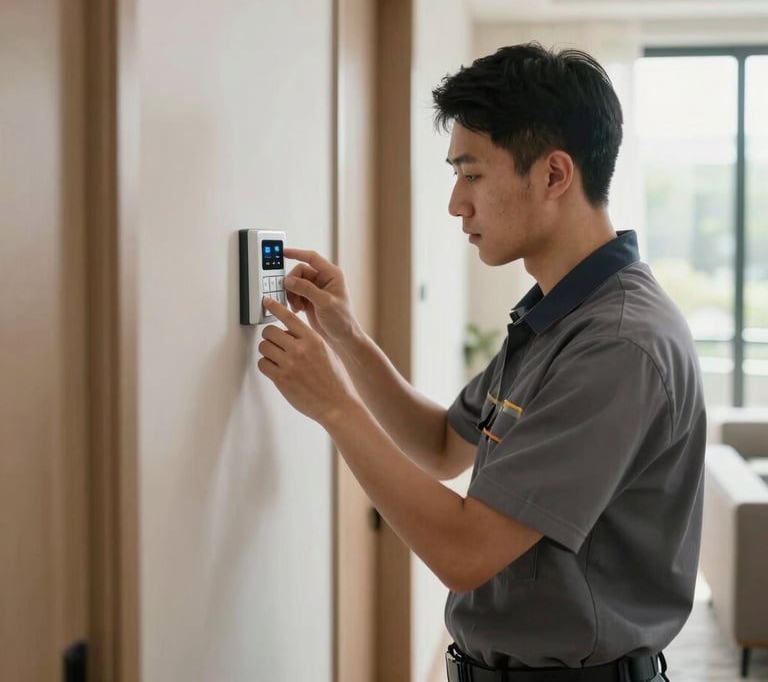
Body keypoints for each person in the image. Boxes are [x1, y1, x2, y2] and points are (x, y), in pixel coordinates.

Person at [257, 42, 706, 682]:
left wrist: (332, 405)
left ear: (553, 175)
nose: (455, 203)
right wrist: (347, 336)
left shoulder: (616, 343)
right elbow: (442, 445)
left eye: (471, 174)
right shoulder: (558, 315)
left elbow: (467, 551)